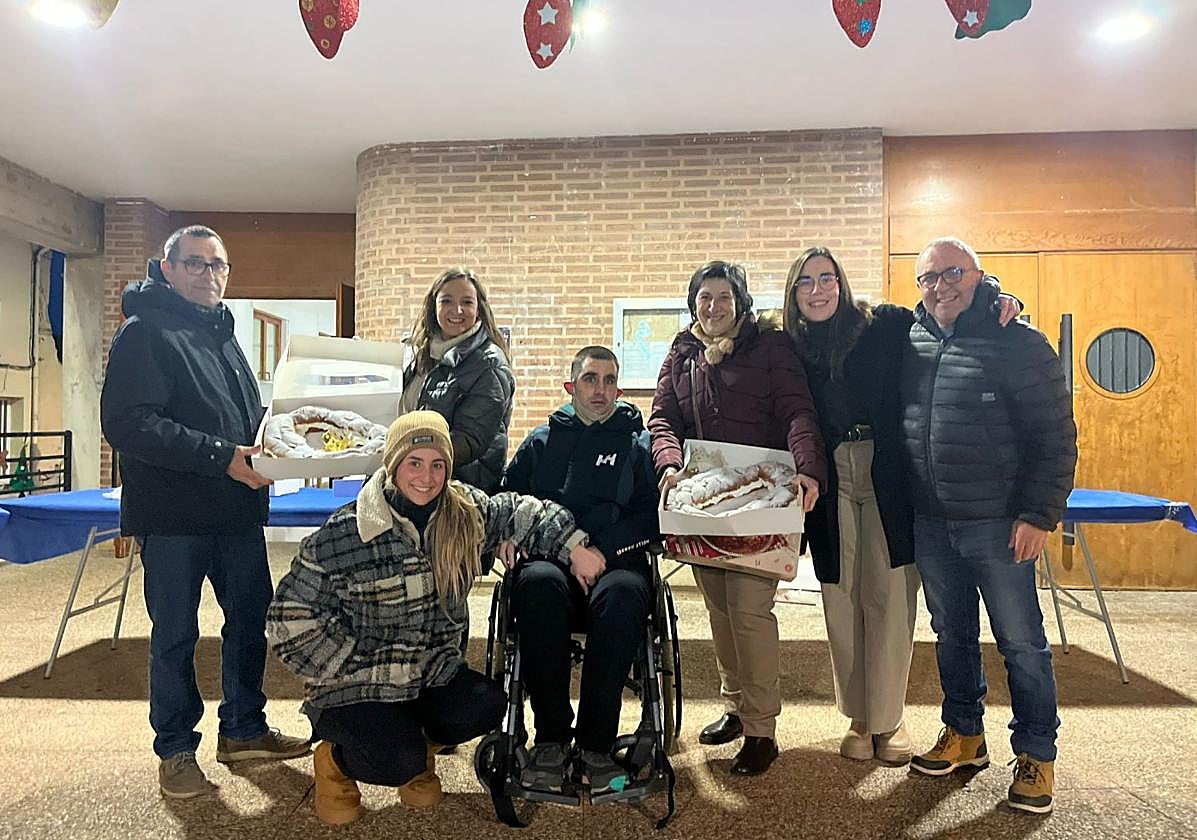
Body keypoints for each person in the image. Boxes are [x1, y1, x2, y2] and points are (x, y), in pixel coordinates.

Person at [267, 411, 606, 825]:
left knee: (486, 706)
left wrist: (574, 548)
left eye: (437, 464)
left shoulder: (463, 512)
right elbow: (289, 621)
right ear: (392, 465)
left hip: (430, 673)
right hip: (356, 686)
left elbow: (524, 511)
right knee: (396, 759)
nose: (426, 478)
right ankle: (336, 760)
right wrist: (352, 664)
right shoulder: (345, 533)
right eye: (414, 463)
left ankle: (412, 751)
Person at [783, 247, 1022, 765]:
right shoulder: (787, 344)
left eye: (827, 278)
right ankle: (860, 717)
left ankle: (889, 720)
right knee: (841, 598)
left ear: (842, 284)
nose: (818, 290)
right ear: (792, 293)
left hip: (888, 471)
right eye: (806, 282)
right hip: (828, 477)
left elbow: (941, 307)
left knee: (889, 597)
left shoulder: (881, 323)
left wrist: (995, 294)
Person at [100, 225, 309, 799]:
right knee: (175, 634)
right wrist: (222, 457)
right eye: (195, 264)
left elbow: (237, 418)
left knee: (248, 624)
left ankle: (243, 728)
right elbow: (129, 424)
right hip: (173, 519)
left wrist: (288, 440)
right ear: (166, 269)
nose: (208, 274)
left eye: (218, 266)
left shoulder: (222, 333)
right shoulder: (143, 333)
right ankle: (174, 748)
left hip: (236, 511)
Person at [901, 237, 1076, 815]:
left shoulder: (1019, 342)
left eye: (952, 273)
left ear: (979, 276)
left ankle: (1036, 754)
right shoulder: (912, 338)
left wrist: (1037, 516)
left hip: (1001, 525)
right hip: (932, 522)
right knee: (951, 636)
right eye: (927, 278)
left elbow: (1055, 438)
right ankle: (964, 735)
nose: (939, 286)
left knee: (1022, 643)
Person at [649, 260, 826, 776]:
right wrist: (669, 461)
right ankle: (735, 704)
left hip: (762, 503)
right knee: (721, 611)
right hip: (705, 506)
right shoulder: (683, 353)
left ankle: (762, 729)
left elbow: (798, 412)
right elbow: (664, 418)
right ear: (693, 303)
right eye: (704, 297)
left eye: (724, 297)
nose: (713, 306)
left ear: (741, 301)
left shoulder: (770, 347)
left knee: (750, 612)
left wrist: (809, 471)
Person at [500, 345, 659, 793]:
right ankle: (551, 737)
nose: (600, 390)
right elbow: (511, 500)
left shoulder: (637, 444)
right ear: (572, 386)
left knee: (624, 595)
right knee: (535, 585)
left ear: (619, 389)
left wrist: (602, 551)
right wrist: (510, 535)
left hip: (616, 563)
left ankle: (596, 743)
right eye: (591, 379)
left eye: (609, 381)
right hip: (552, 561)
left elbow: (650, 515)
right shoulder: (541, 440)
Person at [400, 268, 515, 494]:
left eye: (467, 302)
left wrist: (406, 455)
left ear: (479, 309)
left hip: (462, 490)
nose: (457, 310)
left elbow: (470, 439)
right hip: (419, 481)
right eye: (447, 301)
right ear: (434, 307)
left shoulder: (489, 364)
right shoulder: (423, 355)